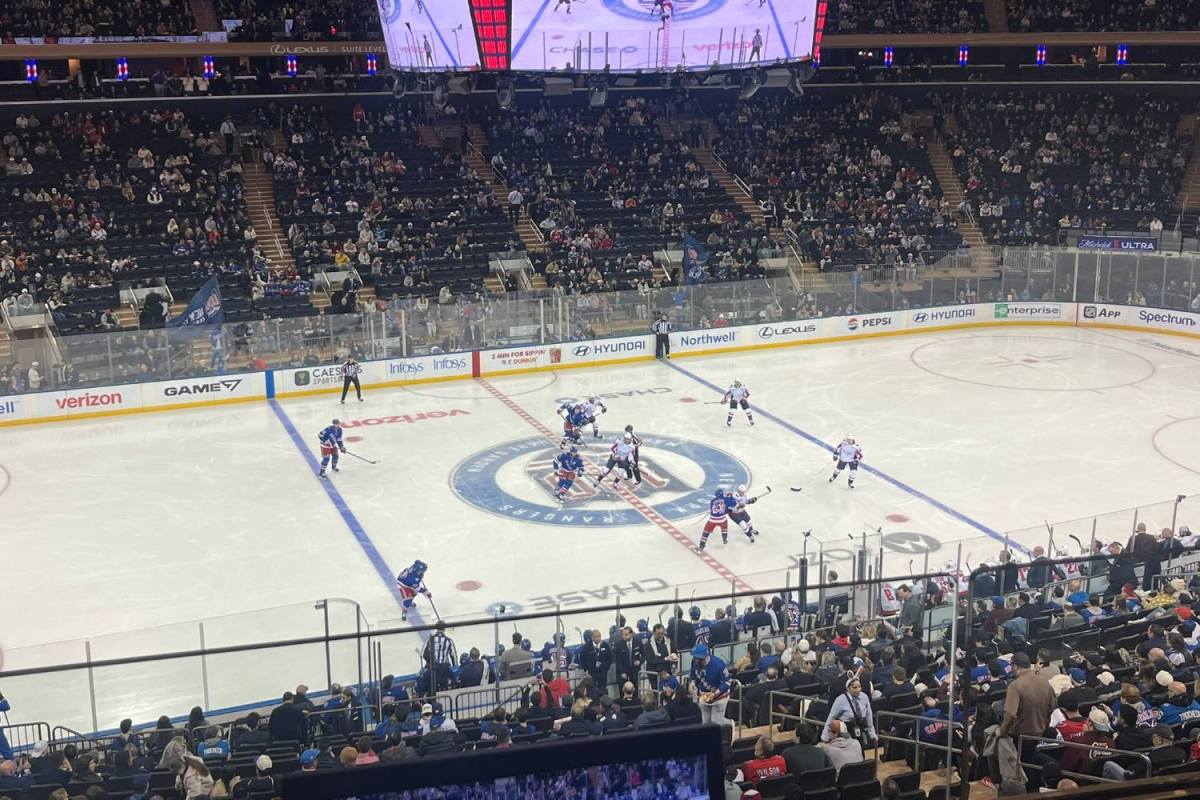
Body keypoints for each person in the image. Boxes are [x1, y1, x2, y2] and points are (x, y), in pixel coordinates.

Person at [1000, 652, 1056, 789]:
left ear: (1014, 666)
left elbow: (1010, 715)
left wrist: (1002, 732)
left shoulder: (1015, 685)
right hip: (1038, 733)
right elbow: (1052, 706)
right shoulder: (1045, 681)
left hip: (1019, 737)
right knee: (1029, 763)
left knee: (1021, 768)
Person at [691, 643, 732, 726]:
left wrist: (715, 693)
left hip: (720, 696)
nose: (696, 660)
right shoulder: (695, 663)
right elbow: (693, 677)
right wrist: (692, 685)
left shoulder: (719, 664)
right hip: (703, 696)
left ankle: (730, 724)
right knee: (706, 723)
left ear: (705, 657)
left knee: (716, 722)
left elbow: (727, 682)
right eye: (695, 657)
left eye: (698, 658)